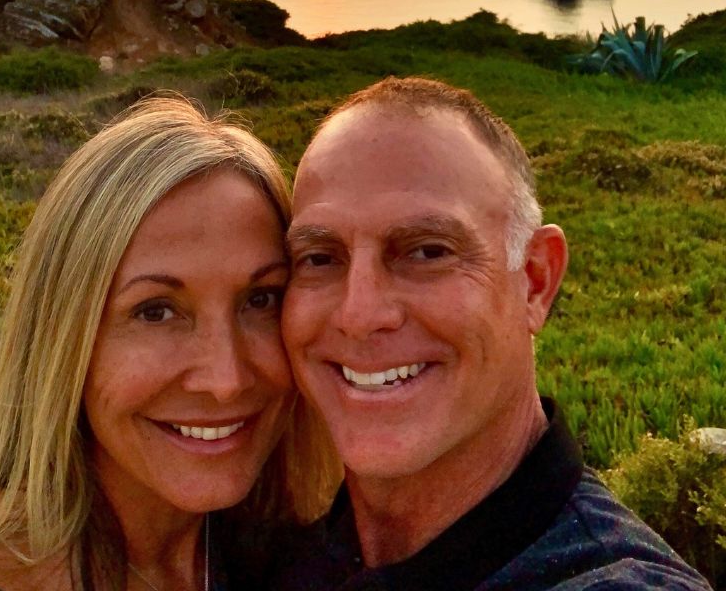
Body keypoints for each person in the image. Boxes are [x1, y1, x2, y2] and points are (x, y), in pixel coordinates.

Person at [276, 76, 712, 590]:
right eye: (320, 258)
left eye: (427, 251)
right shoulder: (271, 553)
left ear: (535, 281)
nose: (359, 312)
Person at [0, 96, 339, 591]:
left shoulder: (297, 557)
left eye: (261, 300)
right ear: (64, 338)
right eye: (155, 311)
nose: (225, 380)